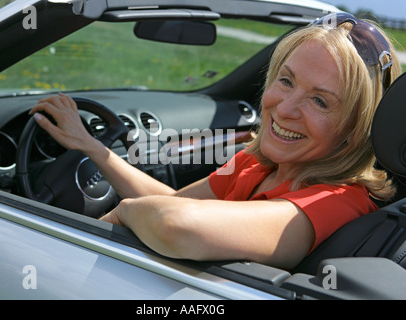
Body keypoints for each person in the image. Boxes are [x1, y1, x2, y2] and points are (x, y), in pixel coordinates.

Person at [29, 13, 402, 269]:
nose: (284, 107)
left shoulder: (338, 202)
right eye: (285, 81)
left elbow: (174, 222)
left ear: (355, 129)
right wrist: (94, 148)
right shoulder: (256, 164)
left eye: (320, 101)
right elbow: (173, 202)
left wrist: (124, 211)